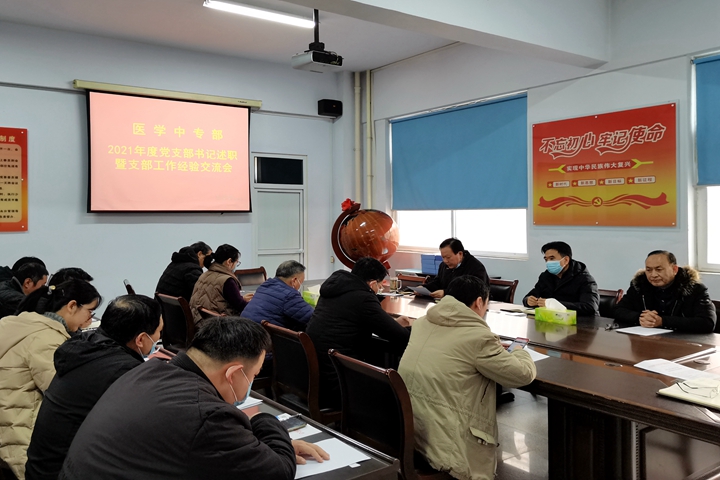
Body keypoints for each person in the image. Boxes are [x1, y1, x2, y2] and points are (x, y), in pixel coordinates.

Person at [59, 317, 328, 479]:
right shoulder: (206, 415)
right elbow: (277, 472)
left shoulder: (148, 371)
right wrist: (267, 423)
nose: (252, 382)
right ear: (234, 373)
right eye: (254, 375)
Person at [398, 275, 536, 480]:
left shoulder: (423, 323)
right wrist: (518, 352)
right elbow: (523, 375)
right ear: (479, 302)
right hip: (448, 446)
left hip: (413, 431)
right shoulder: (478, 337)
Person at [25, 294, 163, 480]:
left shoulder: (85, 344)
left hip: (41, 466)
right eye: (159, 333)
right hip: (60, 472)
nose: (159, 338)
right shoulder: (122, 371)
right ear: (140, 339)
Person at [0, 279, 101, 479]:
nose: (90, 320)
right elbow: (63, 394)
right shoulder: (47, 340)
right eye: (90, 312)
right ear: (72, 306)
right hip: (20, 441)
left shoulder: (13, 324)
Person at [306, 257, 412, 409]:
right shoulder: (363, 298)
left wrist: (392, 324)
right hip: (339, 380)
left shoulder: (334, 288)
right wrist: (405, 328)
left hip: (318, 374)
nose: (379, 289)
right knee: (393, 389)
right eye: (380, 285)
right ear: (372, 283)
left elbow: (357, 318)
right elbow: (400, 336)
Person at [615, 250, 717, 333]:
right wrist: (641, 318)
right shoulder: (639, 285)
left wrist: (662, 321)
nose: (653, 275)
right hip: (646, 342)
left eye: (659, 269)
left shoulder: (694, 289)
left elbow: (707, 322)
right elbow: (618, 310)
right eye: (649, 270)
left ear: (674, 269)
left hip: (682, 343)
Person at [522, 241, 599, 316]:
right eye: (546, 259)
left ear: (566, 260)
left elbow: (590, 307)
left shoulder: (585, 279)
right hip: (552, 319)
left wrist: (554, 304)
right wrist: (528, 300)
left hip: (581, 321)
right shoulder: (546, 276)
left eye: (552, 258)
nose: (548, 262)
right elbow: (532, 295)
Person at [190, 244, 253, 323]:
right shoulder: (227, 281)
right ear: (229, 261)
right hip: (219, 325)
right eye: (237, 262)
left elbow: (216, 299)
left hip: (199, 321)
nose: (236, 266)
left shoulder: (205, 275)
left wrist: (241, 299)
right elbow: (241, 307)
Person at [242, 260, 314, 330]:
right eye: (301, 282)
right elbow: (313, 319)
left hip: (244, 329)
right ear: (294, 281)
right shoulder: (289, 295)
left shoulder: (265, 285)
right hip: (260, 334)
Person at [424, 238, 490, 299]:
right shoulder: (444, 265)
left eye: (448, 257)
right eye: (443, 257)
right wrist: (424, 288)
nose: (445, 261)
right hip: (447, 303)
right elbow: (438, 282)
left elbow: (474, 292)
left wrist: (445, 293)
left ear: (460, 254)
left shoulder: (476, 267)